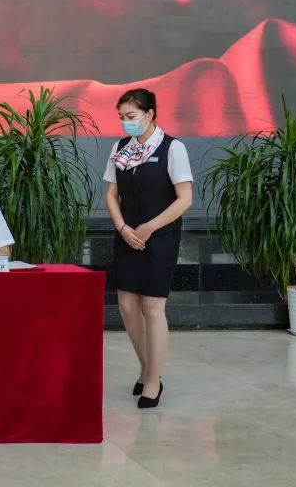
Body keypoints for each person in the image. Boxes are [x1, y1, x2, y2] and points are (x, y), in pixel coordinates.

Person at [103, 88, 193, 409]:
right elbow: (111, 195)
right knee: (127, 307)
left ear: (150, 113)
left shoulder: (172, 148)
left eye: (132, 116)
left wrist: (149, 227)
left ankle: (153, 381)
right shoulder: (120, 148)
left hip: (160, 237)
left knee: (153, 309)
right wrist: (123, 228)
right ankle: (146, 367)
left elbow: (185, 199)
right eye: (122, 117)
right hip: (127, 236)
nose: (126, 122)